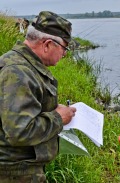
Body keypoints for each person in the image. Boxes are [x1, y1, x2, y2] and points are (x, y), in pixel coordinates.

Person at [0, 11, 77, 182]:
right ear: (47, 44)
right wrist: (58, 117)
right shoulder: (17, 72)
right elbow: (19, 131)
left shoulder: (21, 65)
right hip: (16, 172)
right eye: (64, 48)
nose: (65, 54)